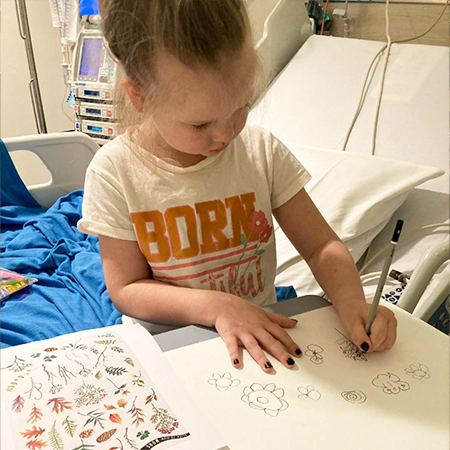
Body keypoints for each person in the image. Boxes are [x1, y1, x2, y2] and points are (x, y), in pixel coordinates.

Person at [78, 0, 397, 372]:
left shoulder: (261, 152)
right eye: (201, 125)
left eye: (241, 108)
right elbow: (127, 289)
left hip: (259, 340)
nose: (227, 133)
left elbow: (321, 244)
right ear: (140, 97)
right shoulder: (114, 172)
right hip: (173, 349)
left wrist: (352, 300)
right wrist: (218, 307)